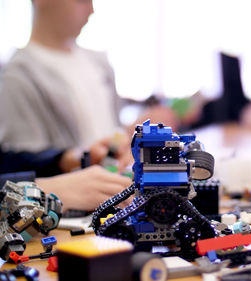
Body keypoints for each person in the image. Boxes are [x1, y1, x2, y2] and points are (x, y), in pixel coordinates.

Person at [0, 0, 175, 210]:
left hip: (116, 194)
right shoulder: (15, 78)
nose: (91, 10)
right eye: (82, 1)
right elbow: (19, 167)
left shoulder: (99, 63)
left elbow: (108, 136)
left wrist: (131, 135)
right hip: (73, 209)